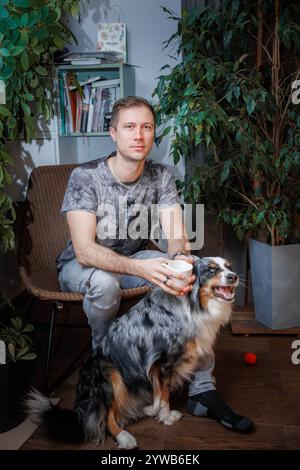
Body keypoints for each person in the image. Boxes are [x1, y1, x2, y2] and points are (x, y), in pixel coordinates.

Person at [57, 96, 253, 433]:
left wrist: (178, 262)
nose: (139, 135)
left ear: (153, 134)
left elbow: (177, 238)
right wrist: (141, 270)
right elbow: (86, 251)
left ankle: (203, 389)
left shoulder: (161, 175)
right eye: (130, 127)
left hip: (133, 258)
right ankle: (107, 370)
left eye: (146, 127)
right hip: (82, 266)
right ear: (113, 133)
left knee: (189, 273)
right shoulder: (85, 177)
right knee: (105, 283)